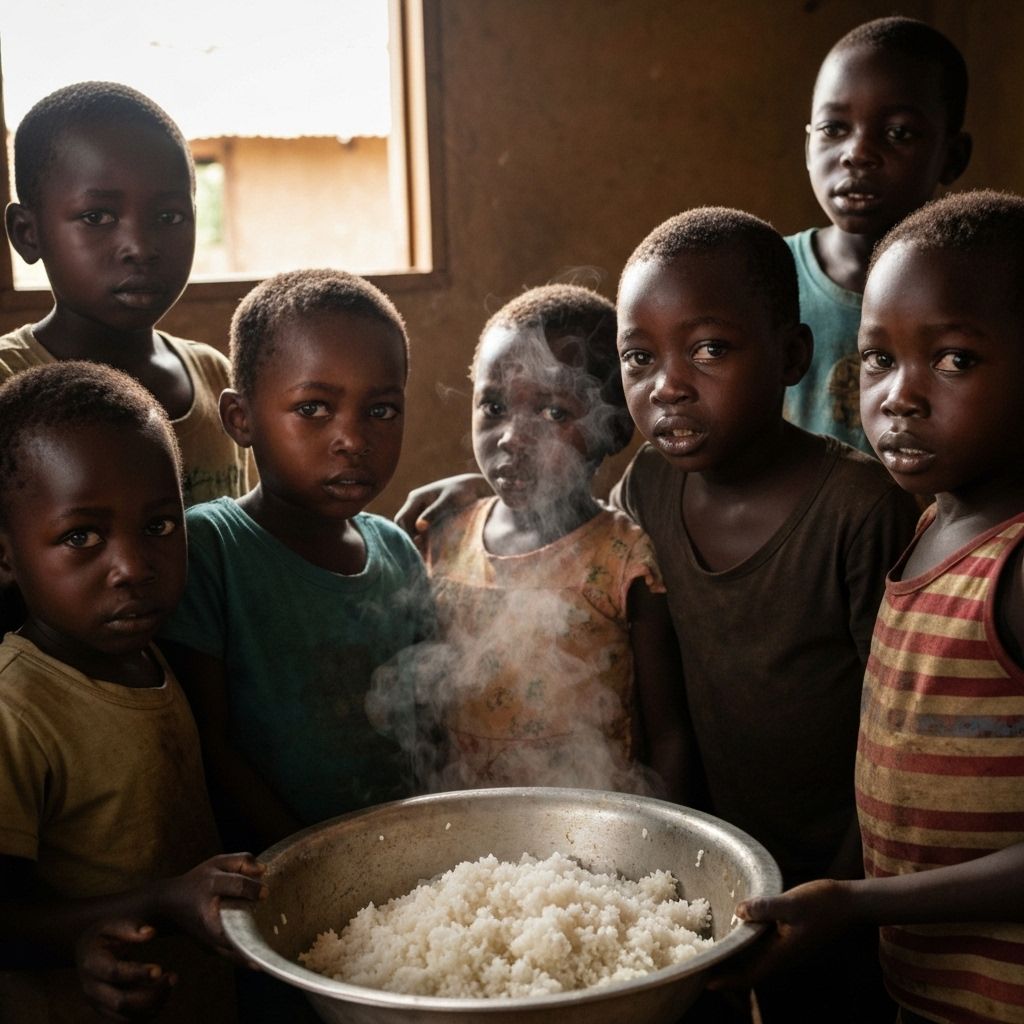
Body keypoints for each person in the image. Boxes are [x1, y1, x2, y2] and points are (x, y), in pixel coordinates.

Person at [397, 208, 920, 1021]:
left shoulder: (860, 510)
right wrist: (474, 489)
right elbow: (564, 522)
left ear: (791, 355)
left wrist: (849, 888)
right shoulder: (650, 489)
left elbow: (894, 736)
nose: (668, 383)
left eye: (708, 349)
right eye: (640, 358)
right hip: (715, 851)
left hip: (849, 865)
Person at [720, 190, 1024, 1024]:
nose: (900, 396)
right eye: (879, 360)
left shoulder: (1017, 563)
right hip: (928, 989)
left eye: (954, 360)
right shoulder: (933, 522)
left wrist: (859, 903)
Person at [0, 362, 266, 1024]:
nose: (133, 567)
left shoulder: (152, 655)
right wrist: (133, 917)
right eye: (81, 537)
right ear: (6, 556)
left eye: (159, 527)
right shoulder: (17, 707)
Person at [159, 269, 435, 856]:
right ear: (241, 419)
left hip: (407, 866)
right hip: (275, 866)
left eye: (381, 411)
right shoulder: (212, 550)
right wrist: (308, 856)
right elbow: (207, 746)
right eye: (313, 408)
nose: (352, 439)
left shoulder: (398, 553)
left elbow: (429, 725)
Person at [416, 284, 688, 796]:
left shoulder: (623, 558)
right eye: (493, 406)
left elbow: (668, 733)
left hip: (589, 834)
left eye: (554, 413)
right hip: (470, 832)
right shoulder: (445, 540)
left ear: (614, 429)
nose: (511, 438)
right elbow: (428, 704)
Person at [2, 81, 252, 507]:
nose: (140, 247)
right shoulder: (9, 385)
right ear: (29, 234)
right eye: (97, 216)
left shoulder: (216, 378)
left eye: (169, 215)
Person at [784, 16, 971, 453]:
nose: (858, 153)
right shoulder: (764, 276)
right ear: (808, 146)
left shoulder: (976, 291)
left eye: (898, 133)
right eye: (834, 129)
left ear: (953, 156)